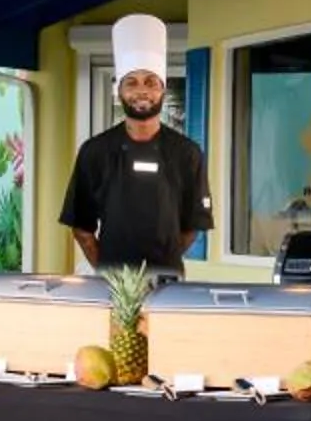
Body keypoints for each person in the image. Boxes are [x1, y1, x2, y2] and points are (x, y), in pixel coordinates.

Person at [60, 14, 210, 274]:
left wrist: (157, 268)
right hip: (110, 286)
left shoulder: (188, 153)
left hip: (168, 288)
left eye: (150, 82)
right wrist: (114, 275)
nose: (142, 91)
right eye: (132, 82)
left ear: (163, 90)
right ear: (120, 91)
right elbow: (82, 229)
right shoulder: (95, 151)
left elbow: (191, 228)